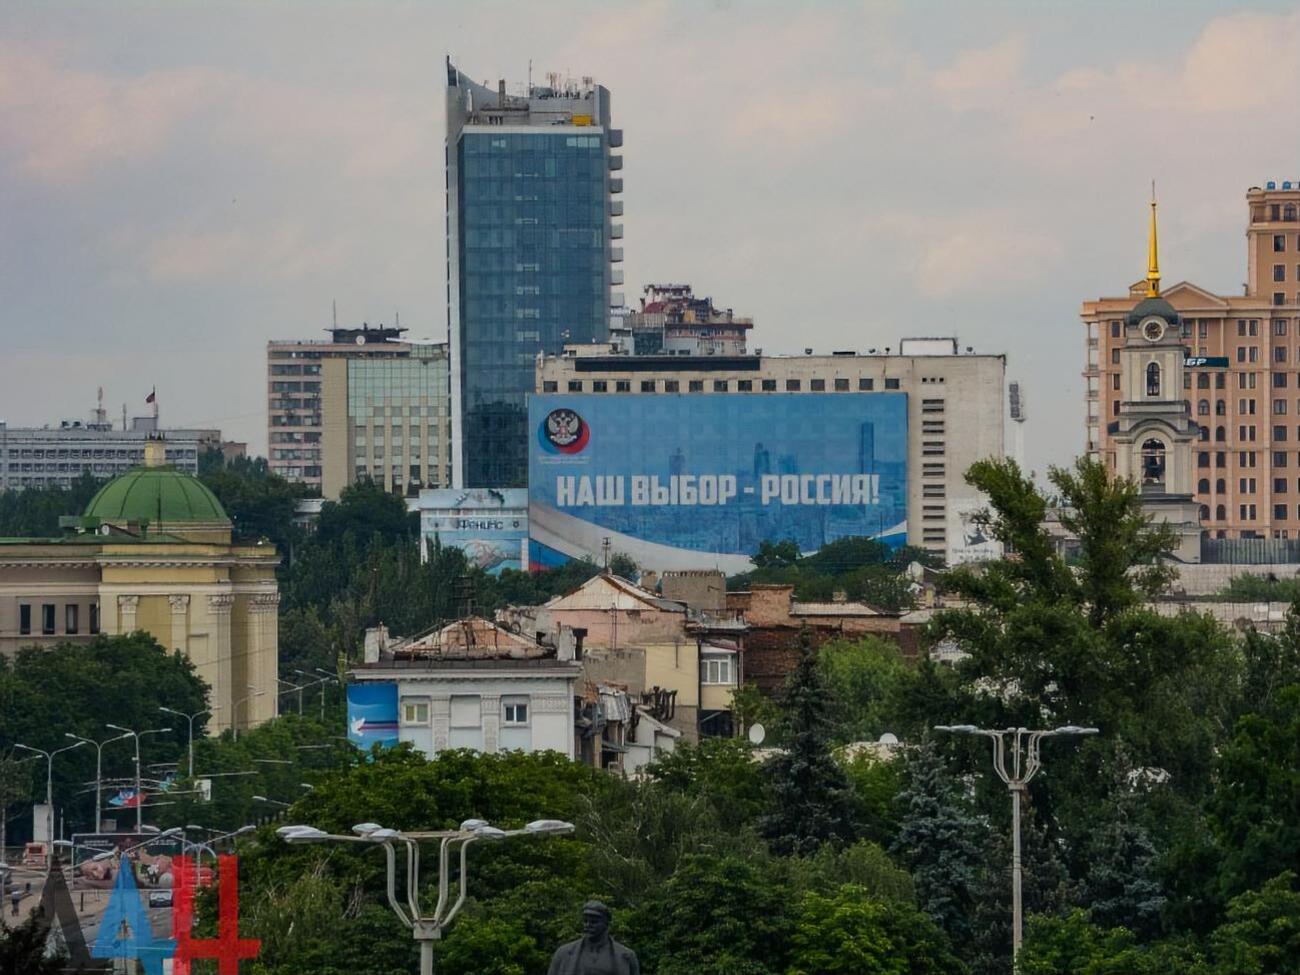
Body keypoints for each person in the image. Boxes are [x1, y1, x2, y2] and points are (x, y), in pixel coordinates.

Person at [547, 901, 639, 975]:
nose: (588, 925)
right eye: (585, 921)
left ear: (606, 923)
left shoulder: (626, 956)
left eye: (594, 922)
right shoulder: (563, 953)